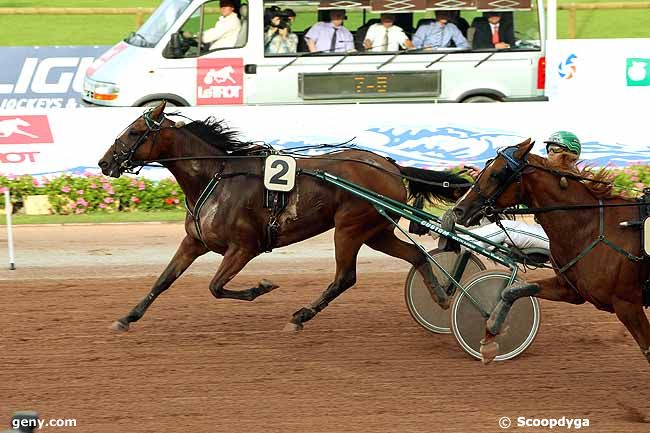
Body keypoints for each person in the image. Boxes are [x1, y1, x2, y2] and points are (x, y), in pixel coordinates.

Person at [459, 131, 583, 252]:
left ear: (571, 154)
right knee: (498, 219)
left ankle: (459, 243)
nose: (549, 153)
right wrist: (486, 178)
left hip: (562, 239)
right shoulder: (553, 175)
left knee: (506, 228)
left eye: (555, 149)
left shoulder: (577, 181)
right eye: (548, 148)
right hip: (547, 232)